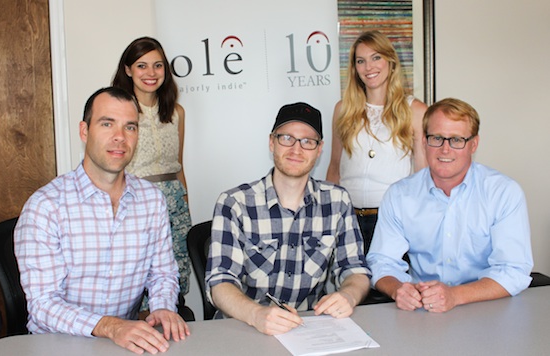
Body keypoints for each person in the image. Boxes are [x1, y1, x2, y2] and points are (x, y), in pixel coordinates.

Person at [15, 87, 190, 354]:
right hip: (58, 344)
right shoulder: (46, 207)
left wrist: (163, 307)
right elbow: (43, 304)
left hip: (125, 344)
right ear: (84, 132)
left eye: (130, 127)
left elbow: (162, 274)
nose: (120, 137)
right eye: (107, 124)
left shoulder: (152, 200)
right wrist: (110, 326)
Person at [206, 102, 371, 335]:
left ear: (319, 149)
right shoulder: (235, 203)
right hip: (244, 325)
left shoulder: (337, 201)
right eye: (287, 138)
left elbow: (355, 269)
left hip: (310, 327)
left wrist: (348, 295)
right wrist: (256, 314)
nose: (296, 149)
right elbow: (220, 281)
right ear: (272, 142)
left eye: (307, 141)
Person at [366, 98, 533, 313]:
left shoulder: (503, 193)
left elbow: (514, 269)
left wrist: (454, 295)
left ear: (474, 144)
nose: (445, 149)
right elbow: (381, 261)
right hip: (424, 312)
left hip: (489, 309)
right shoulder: (399, 195)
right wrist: (398, 289)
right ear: (424, 142)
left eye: (456, 140)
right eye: (437, 138)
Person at [326, 30, 428, 252]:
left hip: (392, 220)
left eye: (376, 57)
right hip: (348, 219)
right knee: (351, 285)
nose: (368, 67)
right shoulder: (342, 109)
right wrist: (330, 218)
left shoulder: (415, 110)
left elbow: (423, 176)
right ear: (354, 69)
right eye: (361, 61)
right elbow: (334, 168)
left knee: (386, 286)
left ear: (390, 61)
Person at [112, 37, 192, 299]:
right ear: (128, 70)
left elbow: (178, 166)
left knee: (176, 277)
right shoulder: (121, 112)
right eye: (142, 65)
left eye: (157, 66)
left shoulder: (176, 111)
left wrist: (185, 202)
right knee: (139, 276)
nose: (151, 73)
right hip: (136, 201)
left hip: (174, 207)